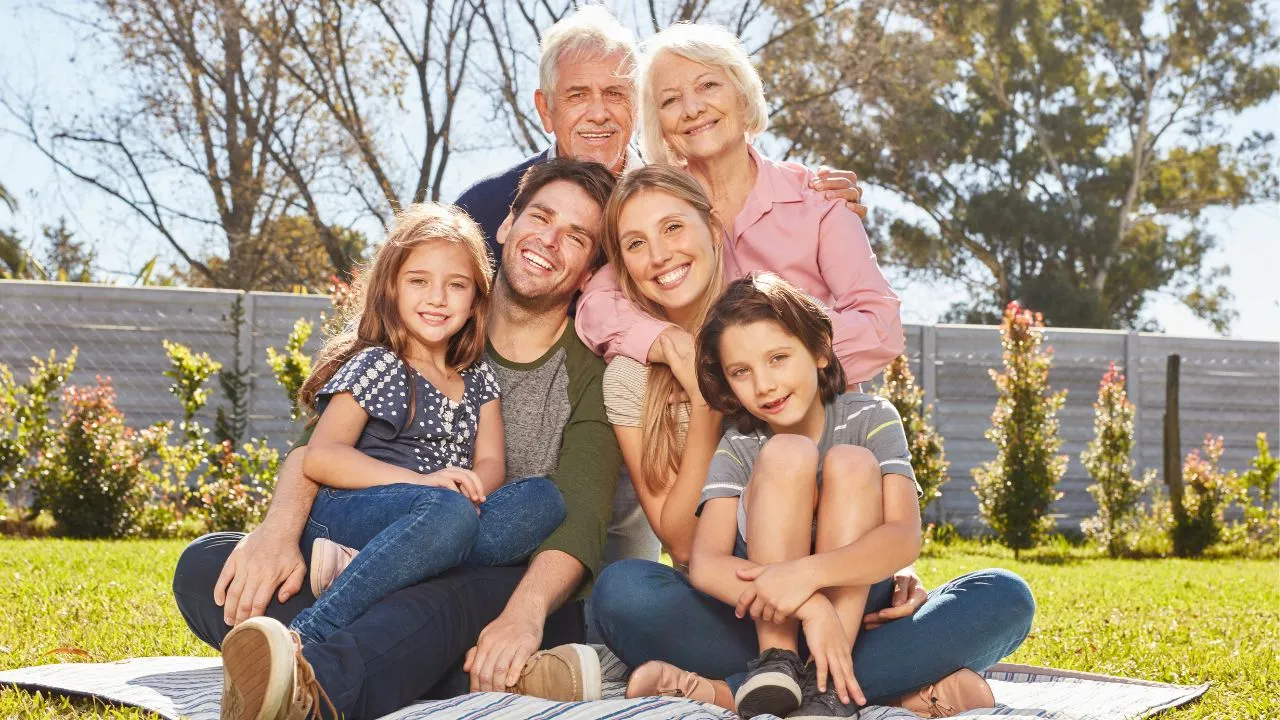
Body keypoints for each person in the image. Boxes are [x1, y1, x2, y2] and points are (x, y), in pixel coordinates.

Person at [173, 158, 623, 720]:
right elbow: (317, 455)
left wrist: (524, 613)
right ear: (506, 225)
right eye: (540, 217)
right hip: (380, 531)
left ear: (589, 272)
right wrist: (278, 532)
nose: (550, 241)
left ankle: (314, 684)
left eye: (576, 237)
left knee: (465, 570)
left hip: (495, 581)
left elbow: (577, 517)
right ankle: (485, 678)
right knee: (207, 566)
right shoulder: (422, 339)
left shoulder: (591, 376)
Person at [684, 273, 992, 719]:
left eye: (778, 358)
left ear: (820, 351)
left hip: (857, 607)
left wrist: (806, 575)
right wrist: (810, 606)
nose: (764, 385)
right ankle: (781, 666)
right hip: (765, 618)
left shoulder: (872, 417)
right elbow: (707, 563)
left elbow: (904, 538)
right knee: (629, 593)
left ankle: (820, 683)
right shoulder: (739, 443)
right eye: (741, 372)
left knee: (1004, 595)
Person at [261, 204, 565, 648]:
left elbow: (491, 460)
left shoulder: (478, 376)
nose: (437, 298)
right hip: (354, 511)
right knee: (447, 514)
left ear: (477, 299)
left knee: (544, 499)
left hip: (446, 514)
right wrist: (426, 485)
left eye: (456, 285)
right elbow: (323, 457)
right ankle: (308, 635)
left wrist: (472, 487)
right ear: (392, 287)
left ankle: (383, 566)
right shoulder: (378, 364)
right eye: (419, 281)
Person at [575, 22, 903, 393]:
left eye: (708, 85)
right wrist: (669, 341)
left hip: (820, 415)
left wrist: (775, 357)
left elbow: (882, 325)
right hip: (707, 424)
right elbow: (595, 307)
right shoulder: (654, 210)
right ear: (660, 127)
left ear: (743, 95)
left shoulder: (819, 200)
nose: (693, 108)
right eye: (670, 100)